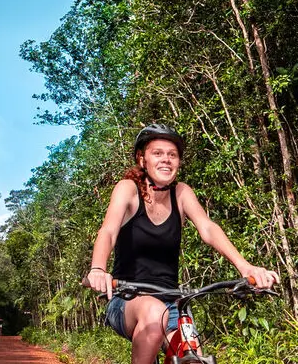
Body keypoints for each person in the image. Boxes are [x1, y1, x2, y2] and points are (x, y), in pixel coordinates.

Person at [84, 124, 279, 364]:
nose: (166, 159)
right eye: (157, 153)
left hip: (171, 302)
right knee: (154, 313)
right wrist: (97, 268)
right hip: (127, 300)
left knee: (191, 352)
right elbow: (108, 230)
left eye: (172, 154)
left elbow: (208, 228)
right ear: (142, 159)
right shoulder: (129, 190)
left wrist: (246, 267)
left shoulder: (181, 193)